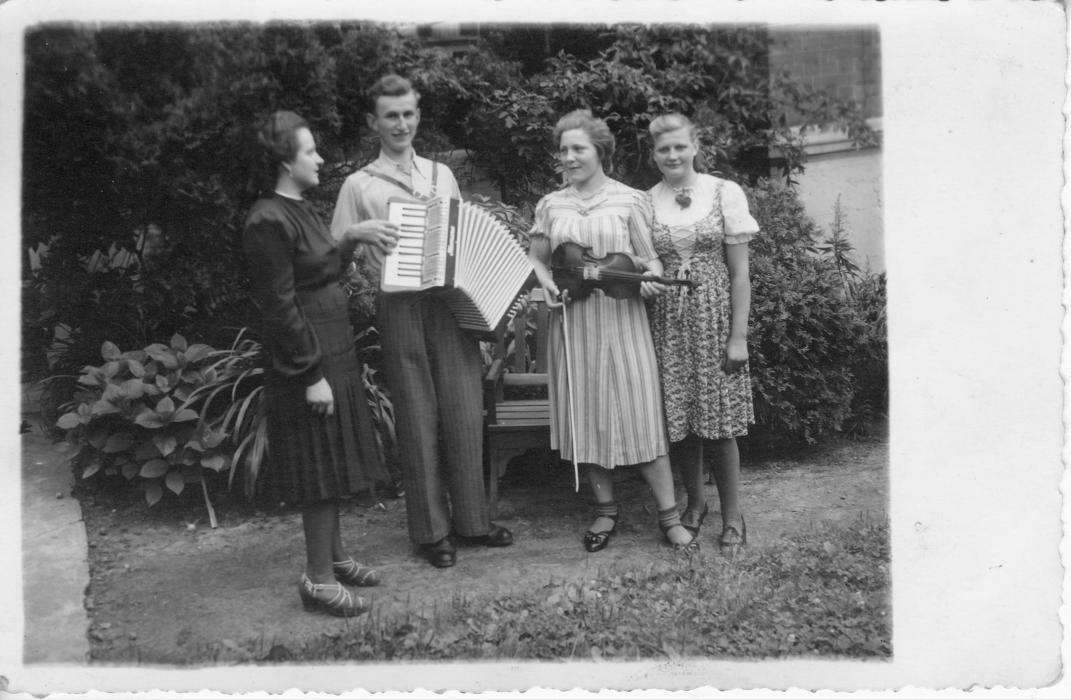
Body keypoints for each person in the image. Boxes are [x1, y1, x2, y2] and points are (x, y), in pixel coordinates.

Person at [330, 74, 513, 569]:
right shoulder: (359, 184)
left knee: (462, 407)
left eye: (409, 113)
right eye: (391, 115)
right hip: (400, 305)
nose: (402, 124)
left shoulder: (441, 175)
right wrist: (355, 235)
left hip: (449, 302)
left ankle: (473, 522)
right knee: (416, 415)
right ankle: (431, 532)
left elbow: (461, 238)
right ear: (374, 122)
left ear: (419, 116)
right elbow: (333, 259)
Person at [527, 109, 697, 553]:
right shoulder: (551, 204)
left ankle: (669, 517)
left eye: (578, 148)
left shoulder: (630, 200)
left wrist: (652, 282)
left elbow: (650, 259)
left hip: (623, 321)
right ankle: (605, 510)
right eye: (563, 150)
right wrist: (546, 286)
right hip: (575, 323)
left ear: (600, 151)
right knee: (587, 417)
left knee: (641, 412)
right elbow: (537, 259)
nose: (568, 157)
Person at [242, 111, 388, 617]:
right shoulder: (266, 218)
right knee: (319, 468)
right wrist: (310, 374)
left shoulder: (299, 207)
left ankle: (336, 557)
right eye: (310, 151)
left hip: (335, 348)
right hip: (307, 360)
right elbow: (280, 306)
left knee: (334, 460)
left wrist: (350, 239)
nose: (321, 158)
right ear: (285, 160)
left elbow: (322, 269)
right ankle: (319, 581)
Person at [644, 112, 759, 553]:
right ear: (653, 154)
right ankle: (695, 504)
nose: (672, 155)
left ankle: (733, 515)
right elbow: (645, 264)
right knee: (680, 420)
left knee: (720, 421)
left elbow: (741, 275)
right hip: (668, 321)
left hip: (713, 318)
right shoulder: (647, 201)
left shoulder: (724, 192)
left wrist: (738, 336)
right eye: (662, 149)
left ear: (695, 146)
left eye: (679, 146)